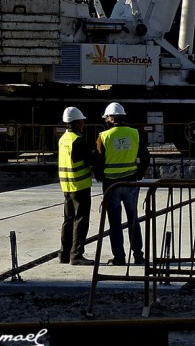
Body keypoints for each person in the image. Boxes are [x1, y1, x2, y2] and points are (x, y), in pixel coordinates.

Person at [95, 102, 150, 266]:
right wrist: (138, 174)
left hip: (112, 185)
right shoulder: (135, 133)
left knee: (115, 223)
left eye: (106, 117)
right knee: (133, 219)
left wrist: (101, 177)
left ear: (110, 118)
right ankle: (138, 255)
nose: (106, 120)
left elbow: (98, 162)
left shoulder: (103, 136)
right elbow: (145, 157)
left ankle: (119, 257)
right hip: (131, 182)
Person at [57, 106, 96, 266]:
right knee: (81, 221)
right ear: (77, 122)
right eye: (82, 121)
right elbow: (91, 160)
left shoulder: (63, 139)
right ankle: (77, 255)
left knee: (68, 220)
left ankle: (64, 254)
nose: (84, 124)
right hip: (80, 186)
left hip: (66, 186)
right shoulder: (78, 141)